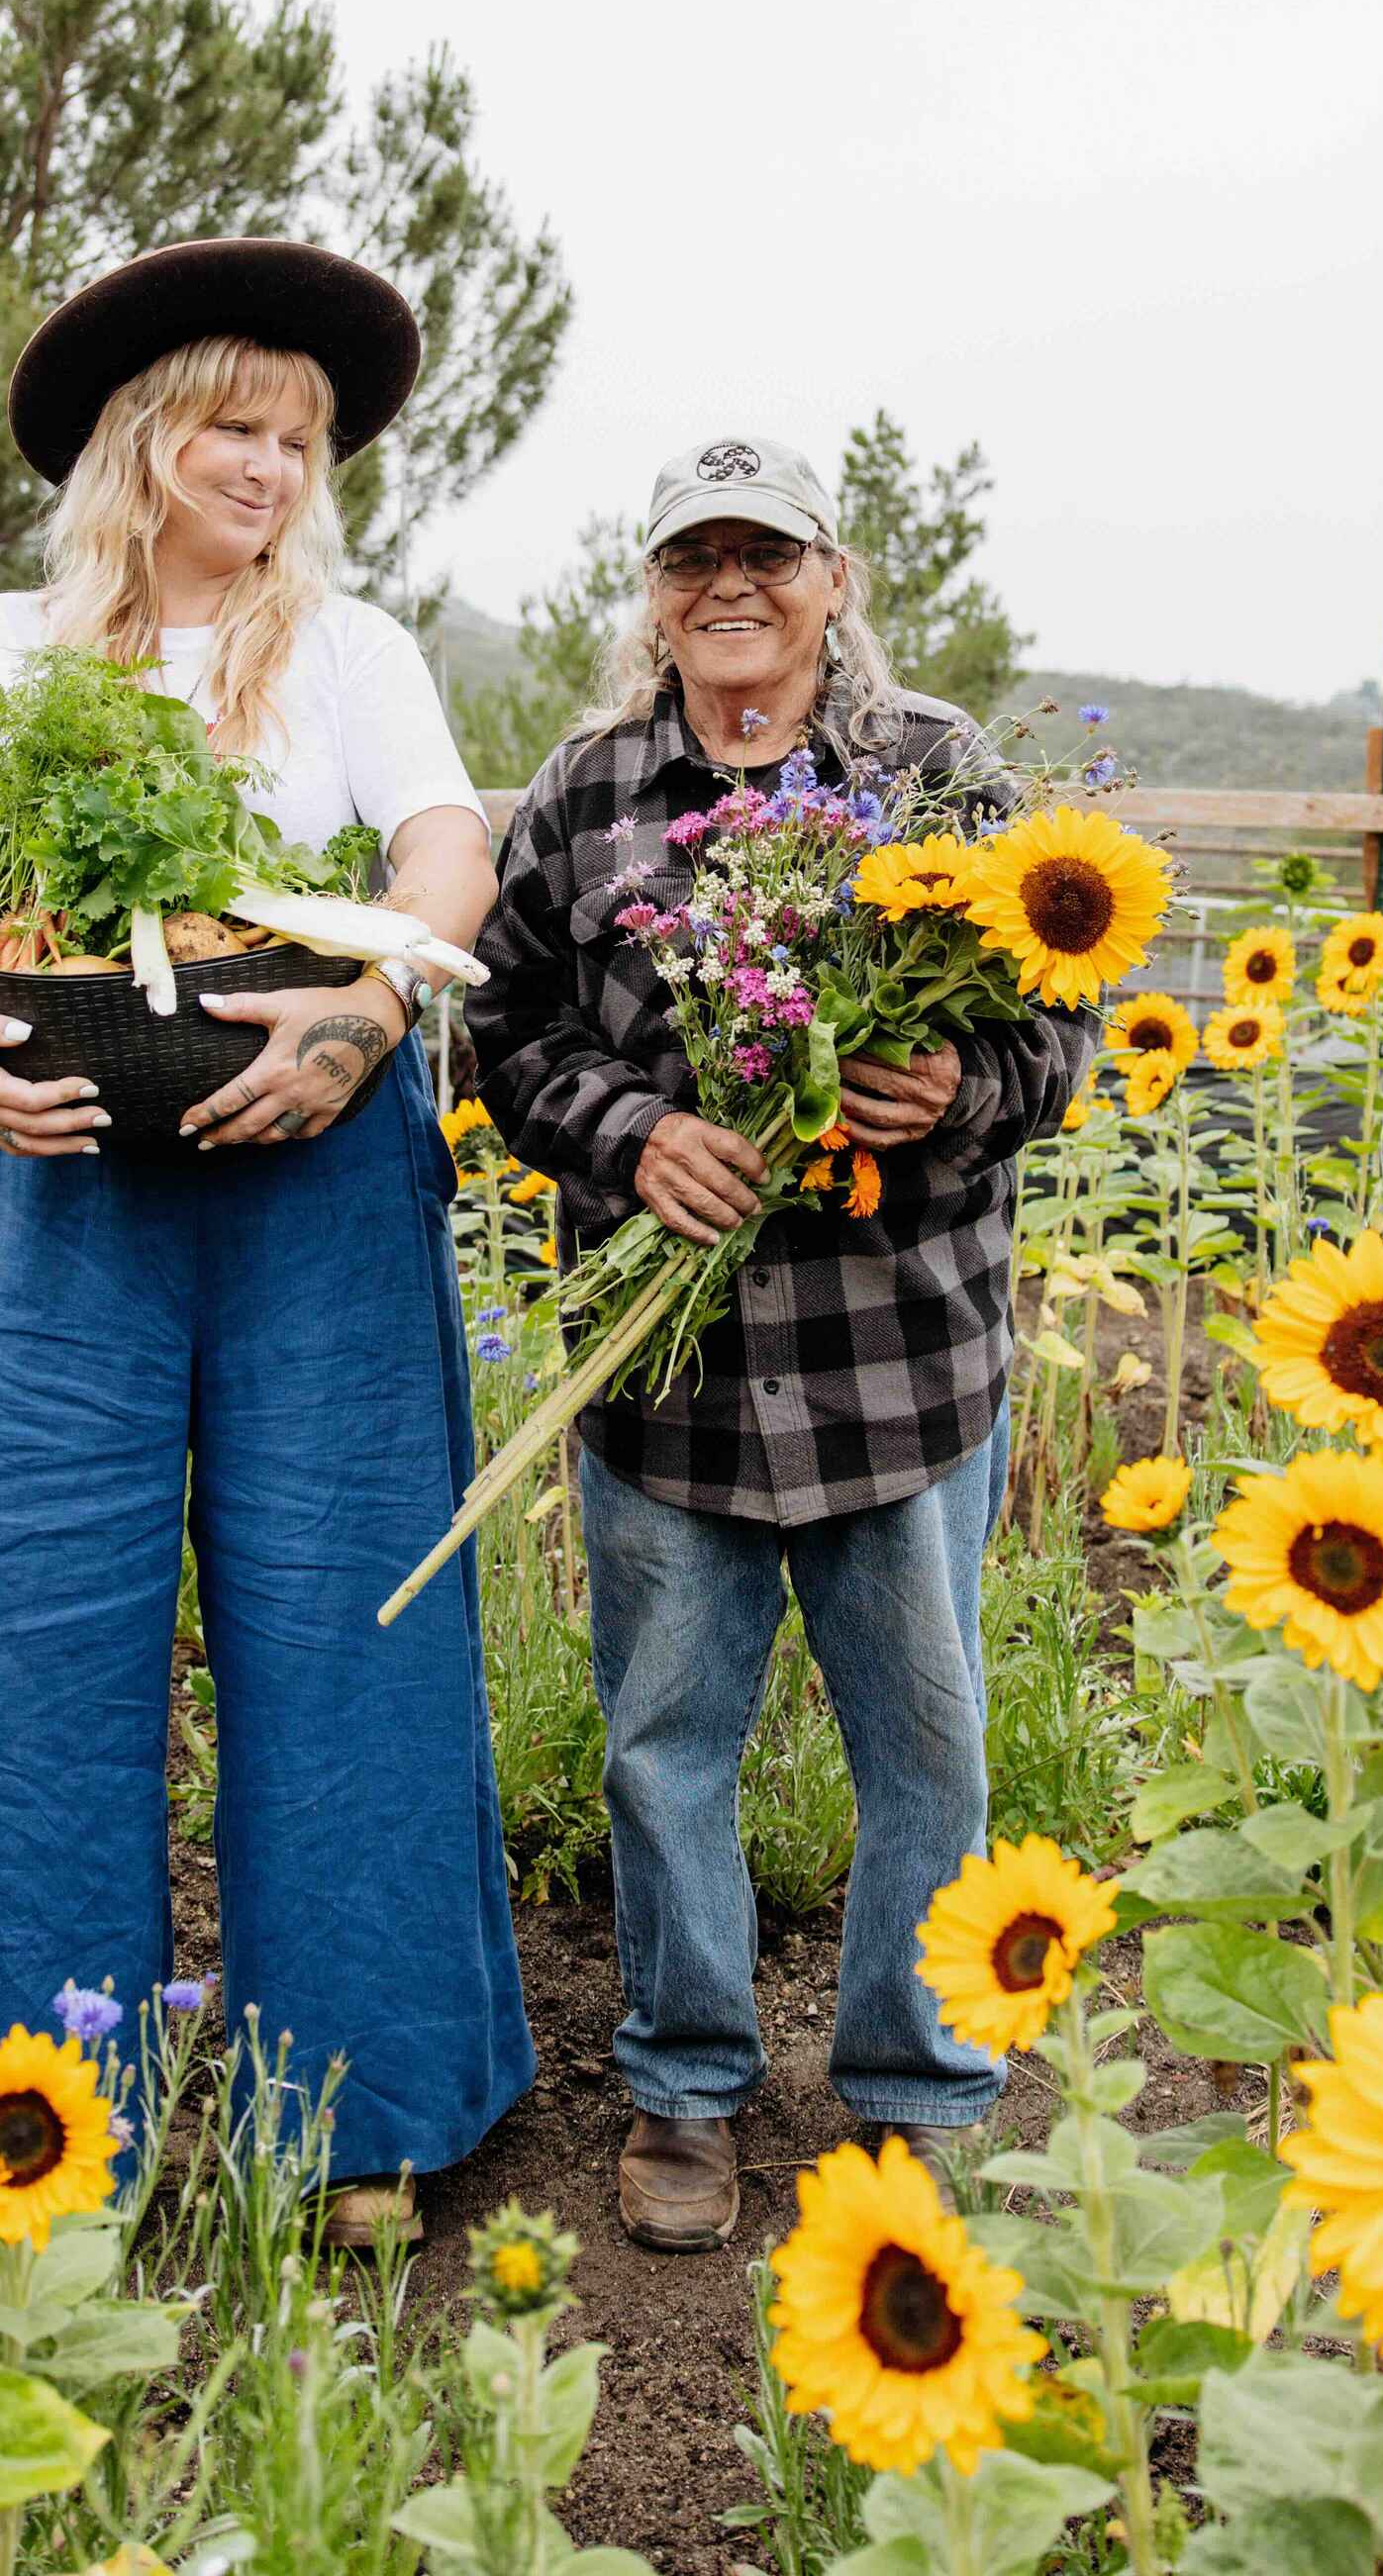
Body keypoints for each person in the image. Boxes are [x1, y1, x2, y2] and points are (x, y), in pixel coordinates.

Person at [0, 238, 534, 2244]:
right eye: (235, 426)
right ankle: (28, 2112)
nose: (267, 466)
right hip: (58, 1160)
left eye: (298, 437)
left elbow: (442, 849)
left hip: (308, 1165)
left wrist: (366, 1013)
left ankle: (359, 2112)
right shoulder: (7, 645)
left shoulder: (350, 653)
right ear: (142, 437)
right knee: (26, 1634)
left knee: (346, 1618)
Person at [467, 433, 1090, 2251]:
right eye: (691, 558)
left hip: (901, 1353)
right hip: (671, 1377)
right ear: (651, 594)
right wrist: (629, 1131)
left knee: (929, 1746)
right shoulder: (586, 792)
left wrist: (955, 1086)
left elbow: (1062, 1018)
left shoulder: (938, 776)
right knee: (668, 1739)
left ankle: (913, 2090)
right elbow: (500, 1030)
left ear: (834, 577)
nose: (727, 585)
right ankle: (684, 2085)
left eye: (767, 552)